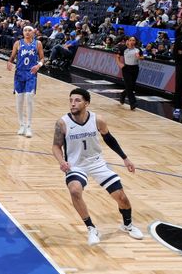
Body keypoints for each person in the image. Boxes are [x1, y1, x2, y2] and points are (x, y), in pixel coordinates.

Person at [51, 88, 143, 246]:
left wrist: (125, 158)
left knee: (122, 198)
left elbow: (109, 139)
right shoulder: (62, 123)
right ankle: (91, 228)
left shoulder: (97, 120)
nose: (73, 103)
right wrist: (62, 162)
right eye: (71, 100)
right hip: (76, 165)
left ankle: (127, 224)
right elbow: (55, 146)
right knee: (74, 190)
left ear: (86, 103)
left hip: (97, 163)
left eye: (77, 100)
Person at [7, 25, 44, 137]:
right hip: (19, 73)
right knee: (19, 100)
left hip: (31, 73)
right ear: (22, 32)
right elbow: (12, 56)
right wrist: (9, 62)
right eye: (25, 30)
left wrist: (39, 65)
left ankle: (29, 126)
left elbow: (42, 58)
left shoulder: (38, 44)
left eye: (29, 30)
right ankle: (21, 125)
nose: (27, 32)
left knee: (29, 97)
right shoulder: (18, 43)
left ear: (33, 32)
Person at [117, 36, 143, 111]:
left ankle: (123, 94)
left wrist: (139, 57)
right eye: (130, 40)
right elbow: (117, 56)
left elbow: (142, 58)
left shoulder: (138, 49)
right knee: (129, 85)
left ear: (135, 42)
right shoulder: (123, 48)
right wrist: (120, 64)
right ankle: (133, 103)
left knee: (131, 86)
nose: (132, 42)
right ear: (128, 41)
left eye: (133, 40)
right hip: (126, 68)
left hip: (135, 68)